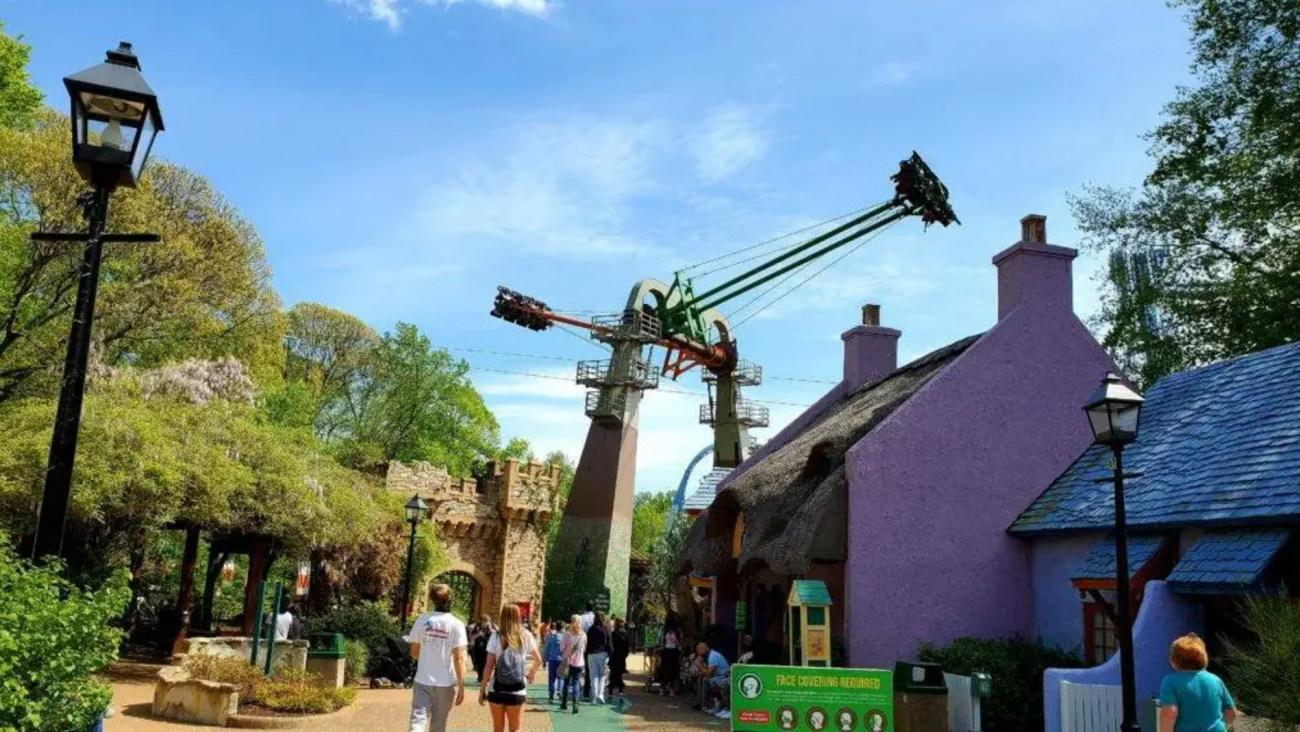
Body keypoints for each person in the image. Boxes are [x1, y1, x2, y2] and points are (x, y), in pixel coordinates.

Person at [406, 584, 468, 732]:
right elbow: (458, 658)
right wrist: (461, 685)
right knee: (439, 724)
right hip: (445, 681)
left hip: (423, 678)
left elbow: (414, 652)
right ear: (450, 599)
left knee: (418, 718)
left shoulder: (422, 620)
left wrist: (428, 654)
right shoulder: (456, 624)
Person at [479, 604, 542, 732]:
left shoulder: (495, 636)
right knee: (515, 730)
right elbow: (538, 660)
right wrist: (530, 675)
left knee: (498, 729)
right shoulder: (526, 635)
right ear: (518, 617)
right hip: (517, 689)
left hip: (496, 688)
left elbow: (489, 665)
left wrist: (482, 688)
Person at [1157, 633, 1236, 732]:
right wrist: (1218, 725)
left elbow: (1169, 713)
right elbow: (1231, 713)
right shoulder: (1216, 680)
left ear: (1175, 659)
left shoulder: (1170, 681)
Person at [559, 615, 587, 714]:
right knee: (576, 683)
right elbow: (584, 649)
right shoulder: (583, 635)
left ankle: (564, 704)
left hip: (568, 662)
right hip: (579, 663)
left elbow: (562, 648)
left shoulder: (567, 634)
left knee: (566, 683)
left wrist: (565, 653)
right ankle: (575, 703)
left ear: (571, 621)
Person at [693, 642, 729, 714]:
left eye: (698, 651)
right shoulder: (708, 656)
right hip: (717, 677)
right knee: (702, 678)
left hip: (724, 677)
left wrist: (698, 664)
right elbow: (706, 672)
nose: (698, 653)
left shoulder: (713, 656)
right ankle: (702, 703)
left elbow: (708, 673)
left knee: (707, 680)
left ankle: (706, 705)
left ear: (702, 649)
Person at [585, 611, 611, 704]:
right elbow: (609, 643)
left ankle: (594, 696)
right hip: (603, 654)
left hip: (591, 654)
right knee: (602, 675)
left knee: (593, 676)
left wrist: (587, 653)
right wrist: (610, 654)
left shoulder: (591, 629)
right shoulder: (605, 629)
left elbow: (587, 643)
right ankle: (601, 694)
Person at [657, 618, 682, 695]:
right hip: (669, 651)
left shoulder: (669, 632)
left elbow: (678, 642)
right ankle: (666, 687)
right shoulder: (672, 632)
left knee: (669, 669)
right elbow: (678, 643)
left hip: (671, 651)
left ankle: (666, 687)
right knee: (666, 669)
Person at [608, 617, 630, 701]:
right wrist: (624, 656)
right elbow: (627, 648)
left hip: (614, 657)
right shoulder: (625, 634)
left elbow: (610, 646)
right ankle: (620, 693)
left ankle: (610, 694)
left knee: (612, 676)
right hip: (621, 658)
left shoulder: (613, 634)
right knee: (620, 676)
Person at [542, 620, 563, 702]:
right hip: (561, 659)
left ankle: (551, 693)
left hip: (552, 659)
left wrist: (544, 660)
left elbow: (547, 649)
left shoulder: (551, 637)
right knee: (561, 676)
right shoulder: (565, 637)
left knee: (552, 677)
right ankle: (560, 691)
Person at [471, 616, 493, 683]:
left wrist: (490, 629)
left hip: (487, 650)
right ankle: (480, 677)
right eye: (483, 621)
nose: (484, 623)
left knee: (486, 664)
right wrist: (478, 634)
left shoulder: (491, 630)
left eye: (486, 621)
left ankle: (486, 678)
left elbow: (496, 634)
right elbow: (471, 637)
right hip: (477, 649)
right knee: (478, 664)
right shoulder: (477, 628)